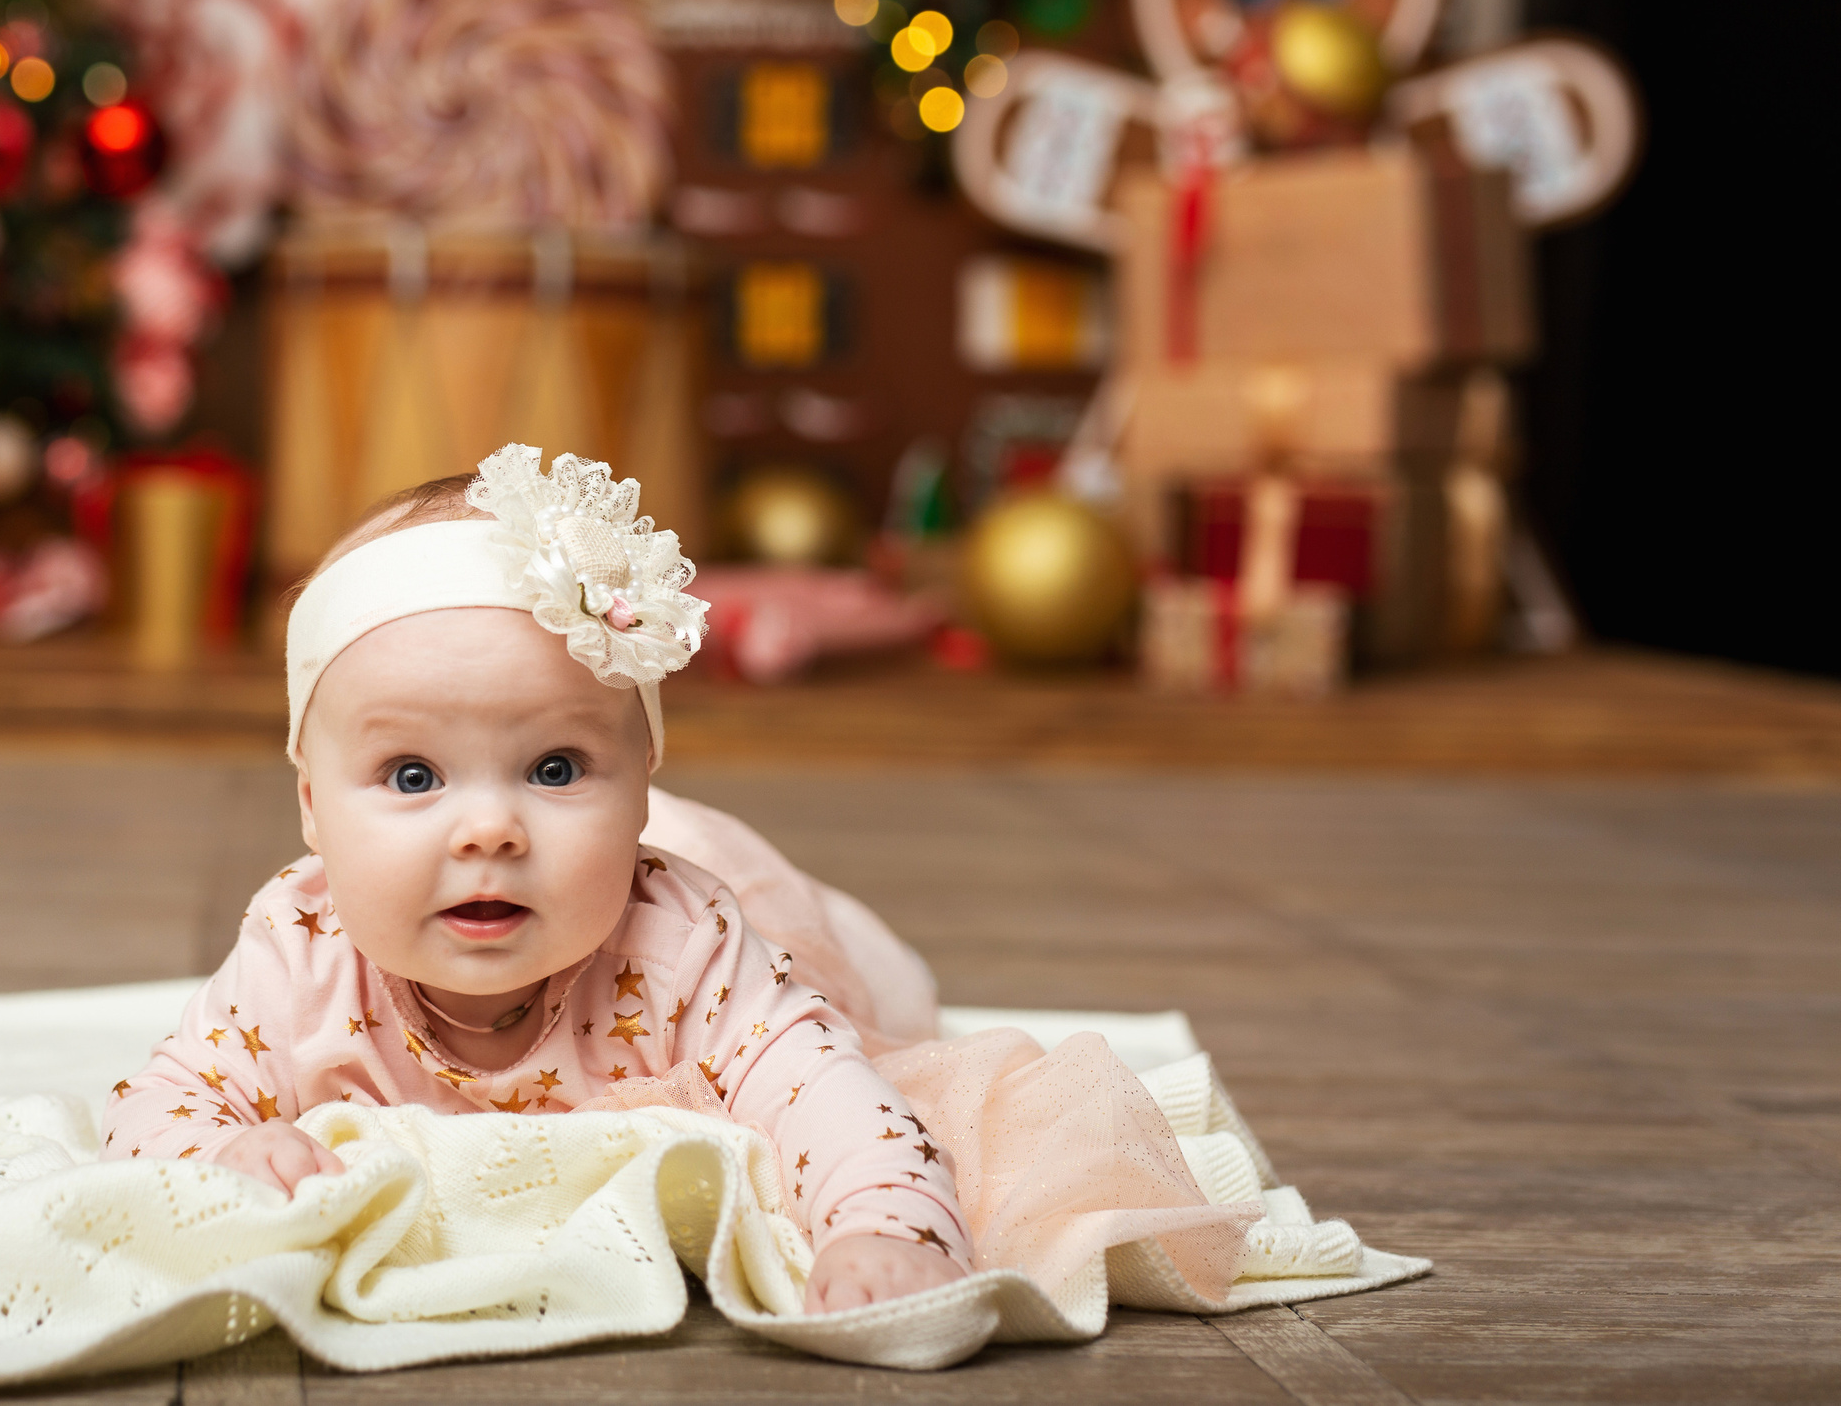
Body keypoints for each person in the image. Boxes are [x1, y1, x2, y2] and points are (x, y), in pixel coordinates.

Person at [104, 446, 1248, 1315]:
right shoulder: (297, 951)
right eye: (412, 775)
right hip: (599, 870)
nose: (489, 828)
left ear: (641, 780)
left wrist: (883, 1231)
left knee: (882, 1009)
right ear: (310, 805)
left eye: (556, 766)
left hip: (752, 900)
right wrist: (221, 1151)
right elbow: (151, 1112)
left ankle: (825, 925)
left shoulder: (688, 948)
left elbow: (840, 1106)